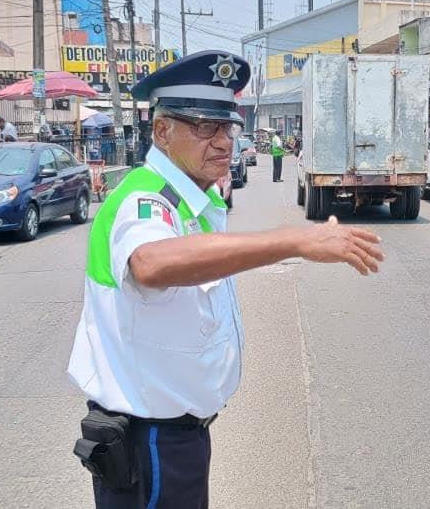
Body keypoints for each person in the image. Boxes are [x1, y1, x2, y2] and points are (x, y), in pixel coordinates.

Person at [67, 50, 384, 509]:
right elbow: (152, 264)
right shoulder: (143, 196)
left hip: (177, 436)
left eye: (227, 127)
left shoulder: (190, 199)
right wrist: (292, 241)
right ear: (162, 131)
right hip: (149, 440)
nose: (223, 142)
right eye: (204, 127)